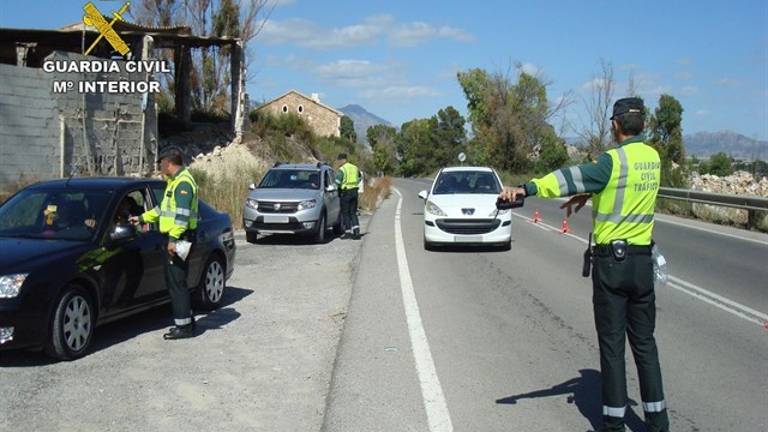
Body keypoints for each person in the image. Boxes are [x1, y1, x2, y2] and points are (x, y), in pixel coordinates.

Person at [499, 98, 669, 432]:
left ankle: (614, 422)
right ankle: (658, 421)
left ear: (615, 125)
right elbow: (626, 187)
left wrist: (526, 188)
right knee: (645, 344)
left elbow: (568, 178)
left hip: (613, 266)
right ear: (643, 126)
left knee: (612, 346)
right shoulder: (653, 158)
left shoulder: (611, 161)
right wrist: (590, 195)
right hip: (641, 263)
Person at [129, 148, 199, 340]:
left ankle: (183, 326)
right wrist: (142, 217)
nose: (160, 168)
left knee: (176, 281)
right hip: (177, 236)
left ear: (168, 163)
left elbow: (182, 216)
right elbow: (162, 209)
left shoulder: (183, 183)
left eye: (161, 164)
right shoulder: (174, 182)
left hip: (180, 237)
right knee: (175, 280)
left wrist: (173, 240)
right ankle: (187, 319)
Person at [335, 153, 361, 239]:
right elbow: (360, 178)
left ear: (342, 160)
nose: (338, 162)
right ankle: (357, 232)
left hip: (345, 192)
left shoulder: (342, 169)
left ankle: (348, 233)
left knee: (345, 213)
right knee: (353, 212)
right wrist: (355, 183)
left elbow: (338, 182)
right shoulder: (355, 167)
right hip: (355, 192)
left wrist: (338, 189)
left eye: (338, 160)